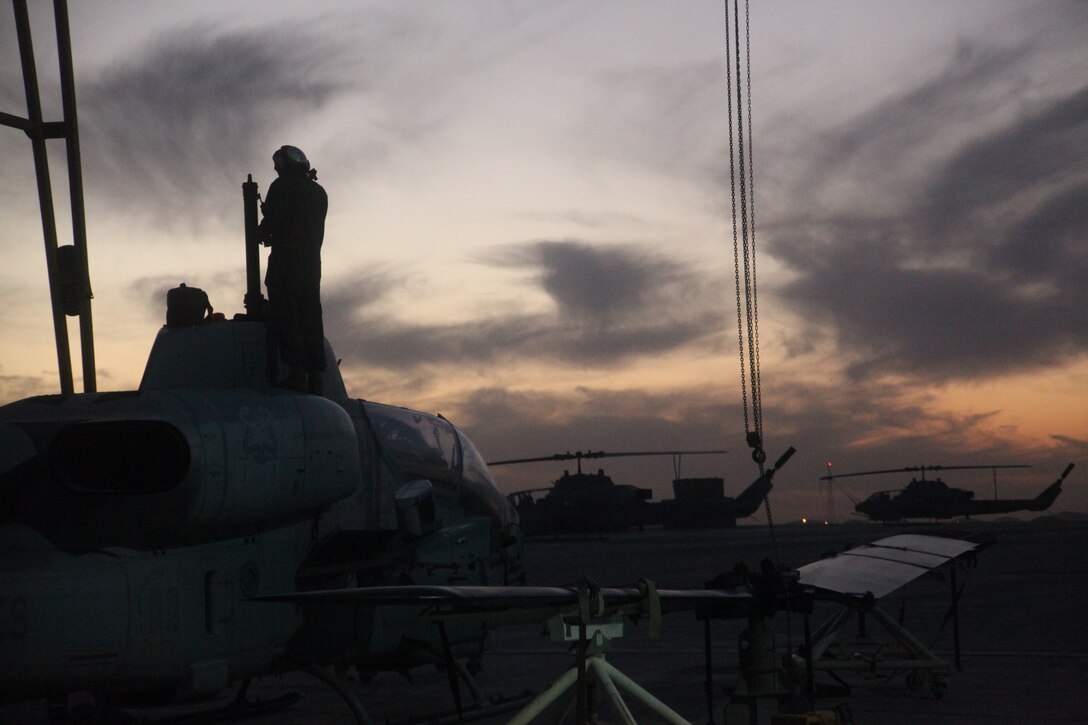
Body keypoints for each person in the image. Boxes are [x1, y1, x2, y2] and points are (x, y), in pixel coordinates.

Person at [259, 145, 329, 394]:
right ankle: (316, 378)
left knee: (287, 316)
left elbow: (272, 227)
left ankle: (296, 374)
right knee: (311, 316)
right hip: (311, 265)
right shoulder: (319, 192)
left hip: (285, 263)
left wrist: (264, 221)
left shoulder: (281, 187)